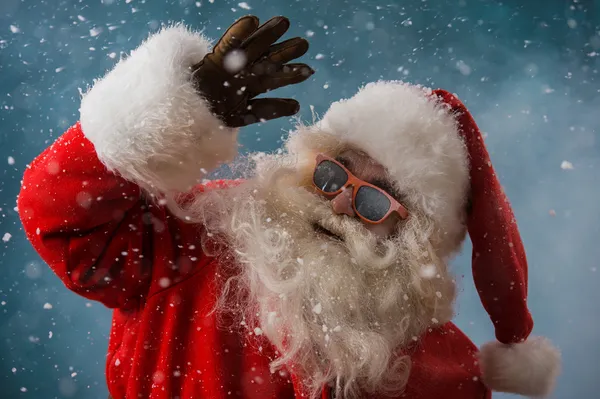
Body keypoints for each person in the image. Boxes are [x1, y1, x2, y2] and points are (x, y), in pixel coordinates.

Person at [18, 14, 560, 399]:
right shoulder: (195, 232)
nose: (341, 200)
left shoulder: (447, 372)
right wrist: (171, 116)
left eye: (374, 199)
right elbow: (59, 213)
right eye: (332, 171)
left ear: (415, 235)